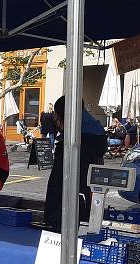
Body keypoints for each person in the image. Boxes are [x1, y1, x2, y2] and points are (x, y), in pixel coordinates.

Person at [43, 96, 107, 231]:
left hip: (67, 212)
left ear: (63, 116)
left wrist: (51, 217)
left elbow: (59, 184)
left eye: (56, 115)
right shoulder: (95, 134)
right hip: (85, 206)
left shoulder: (72, 144)